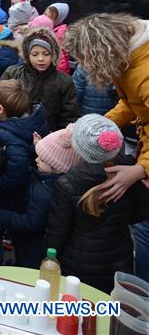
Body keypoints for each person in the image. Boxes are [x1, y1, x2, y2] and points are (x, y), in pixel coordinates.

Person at [63, 13, 149, 281]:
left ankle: (143, 294)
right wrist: (98, 124)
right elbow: (132, 102)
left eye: (85, 59)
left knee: (145, 232)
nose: (85, 66)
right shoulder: (132, 55)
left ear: (100, 52)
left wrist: (140, 170)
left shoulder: (144, 74)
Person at [44, 115, 149, 292]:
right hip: (119, 259)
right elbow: (142, 211)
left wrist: (47, 256)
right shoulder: (131, 171)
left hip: (78, 264)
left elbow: (58, 231)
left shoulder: (69, 182)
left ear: (78, 149)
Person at [0, 126, 76, 268]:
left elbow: (30, 223)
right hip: (30, 241)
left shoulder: (46, 192)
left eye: (42, 159)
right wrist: (37, 147)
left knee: (27, 263)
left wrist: (0, 215)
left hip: (33, 246)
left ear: (57, 167)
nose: (37, 160)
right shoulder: (47, 178)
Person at [0, 80, 49, 214]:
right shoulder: (36, 119)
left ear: (0, 109)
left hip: (10, 197)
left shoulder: (8, 136)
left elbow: (16, 176)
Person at [1, 27, 79, 131]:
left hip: (50, 135)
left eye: (46, 54)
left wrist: (59, 136)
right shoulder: (12, 73)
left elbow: (70, 116)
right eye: (35, 54)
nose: (41, 59)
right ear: (27, 55)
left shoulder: (64, 81)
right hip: (15, 132)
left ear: (53, 55)